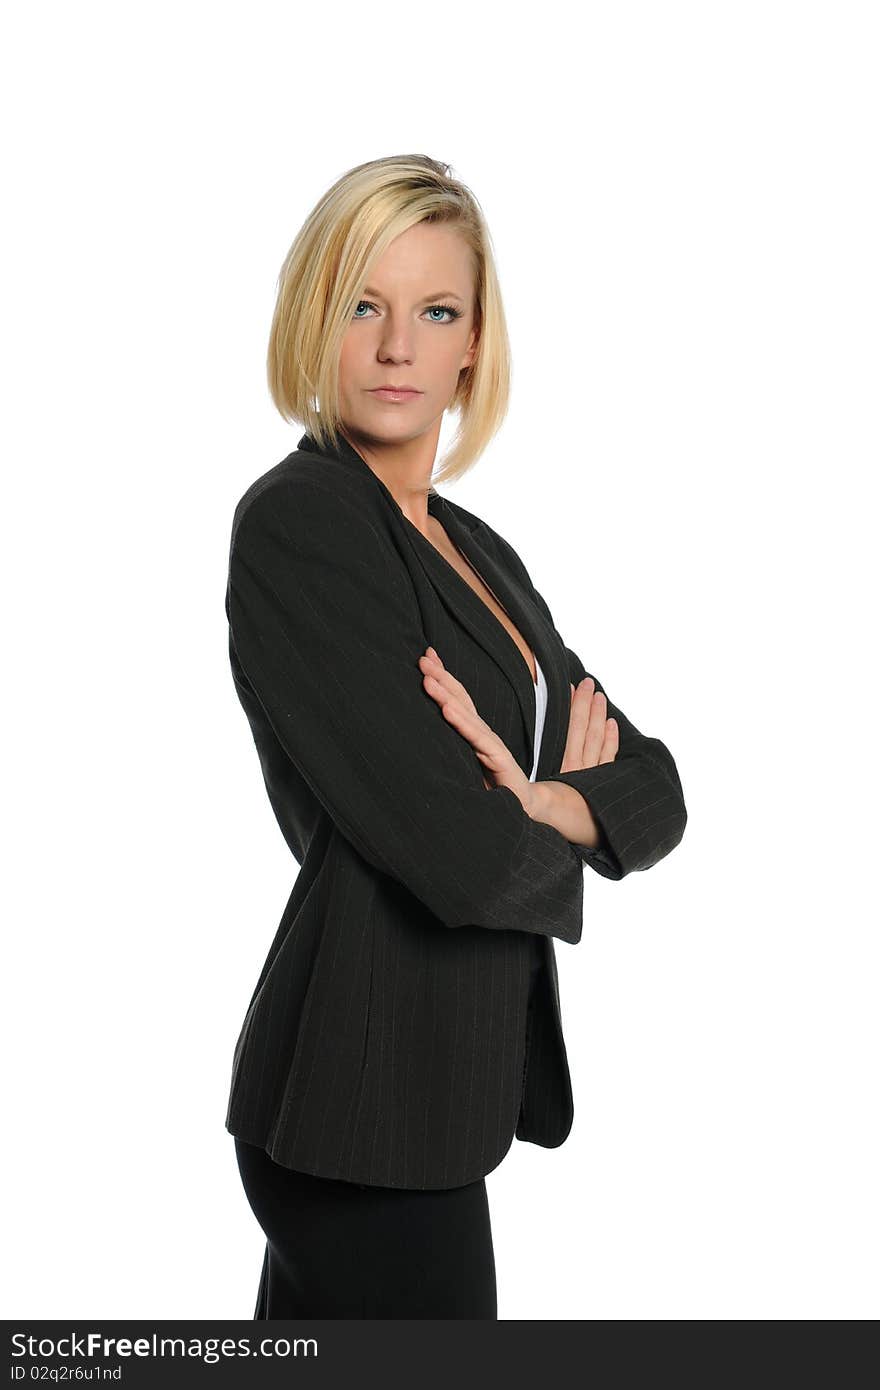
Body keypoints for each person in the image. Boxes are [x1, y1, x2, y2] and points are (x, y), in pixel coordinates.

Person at [225, 153, 688, 1319]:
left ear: (473, 342)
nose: (396, 348)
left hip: (439, 1098)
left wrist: (552, 804)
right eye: (362, 307)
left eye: (435, 311)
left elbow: (656, 783)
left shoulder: (478, 552)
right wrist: (532, 825)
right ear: (312, 322)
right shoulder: (302, 523)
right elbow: (459, 854)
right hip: (357, 1103)